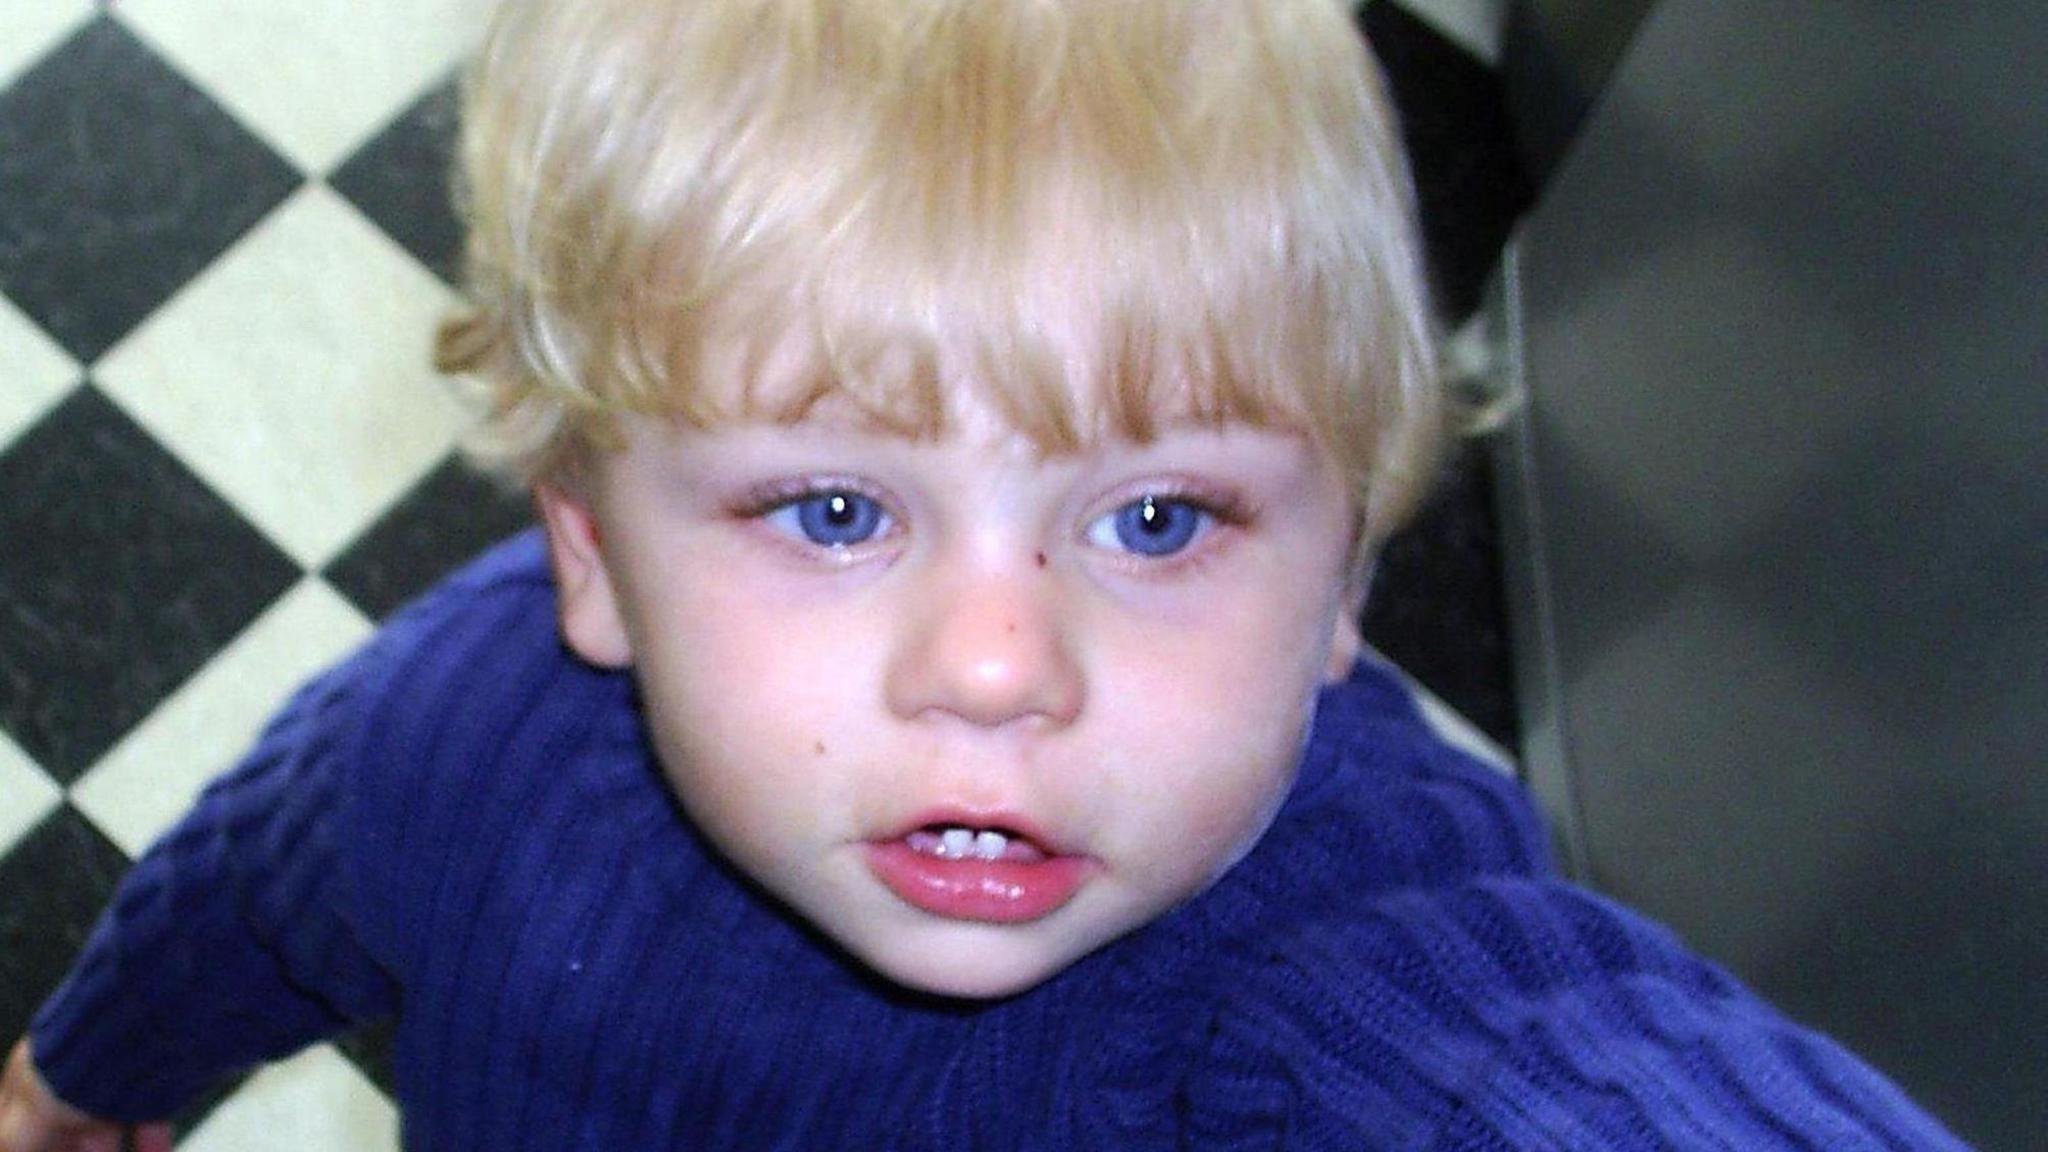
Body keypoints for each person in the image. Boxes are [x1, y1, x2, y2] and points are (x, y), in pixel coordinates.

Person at [0, 0, 1969, 1148]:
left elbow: (1555, 1072)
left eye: (1159, 520)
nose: (999, 665)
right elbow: (259, 884)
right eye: (837, 512)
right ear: (590, 556)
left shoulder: (1348, 935)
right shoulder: (449, 729)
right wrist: (87, 1076)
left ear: (1345, 585)